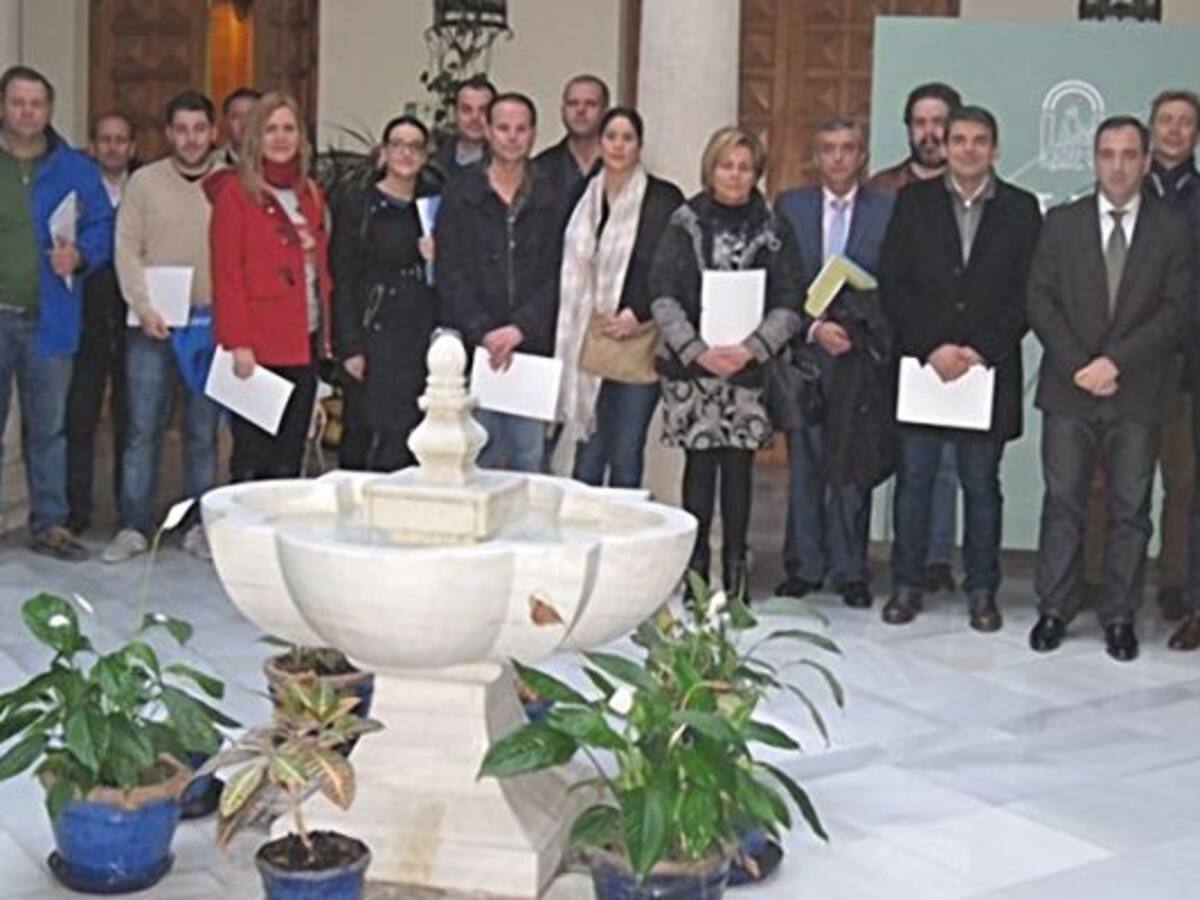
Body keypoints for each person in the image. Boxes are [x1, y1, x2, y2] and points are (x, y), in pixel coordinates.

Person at [1027, 116, 1190, 662]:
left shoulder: (1173, 228)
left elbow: (1177, 311)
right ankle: (1054, 608)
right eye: (1107, 154)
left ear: (1145, 161)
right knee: (1063, 504)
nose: (1117, 166)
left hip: (1138, 389)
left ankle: (1120, 616)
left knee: (1130, 509)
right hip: (1069, 387)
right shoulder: (1063, 222)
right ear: (1094, 160)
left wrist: (1115, 362)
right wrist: (1081, 364)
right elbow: (1040, 299)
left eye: (1128, 155)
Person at [880, 106, 1042, 632]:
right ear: (945, 147)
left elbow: (1029, 292)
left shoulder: (1020, 209)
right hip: (924, 368)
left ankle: (982, 590)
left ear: (995, 148)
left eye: (979, 140)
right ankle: (906, 585)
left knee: (981, 485)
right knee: (915, 480)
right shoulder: (914, 202)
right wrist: (932, 347)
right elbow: (893, 283)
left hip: (985, 370)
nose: (969, 149)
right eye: (959, 140)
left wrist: (979, 350)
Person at [650, 126, 803, 596]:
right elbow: (662, 294)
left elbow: (790, 300)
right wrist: (697, 350)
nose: (734, 176)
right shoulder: (683, 222)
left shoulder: (774, 228)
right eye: (726, 166)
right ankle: (696, 575)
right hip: (692, 368)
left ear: (757, 174)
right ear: (710, 169)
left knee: (739, 472)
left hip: (748, 370)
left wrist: (752, 348)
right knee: (699, 470)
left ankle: (736, 574)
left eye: (744, 167)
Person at [774, 117, 894, 609]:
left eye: (848, 148)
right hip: (806, 354)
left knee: (851, 466)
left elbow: (894, 282)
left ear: (862, 156)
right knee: (806, 463)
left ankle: (850, 570)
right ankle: (804, 566)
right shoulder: (791, 207)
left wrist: (859, 331)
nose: (839, 157)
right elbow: (780, 280)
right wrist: (812, 328)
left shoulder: (886, 209)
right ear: (816, 156)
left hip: (859, 360)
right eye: (829, 148)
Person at [103, 90, 224, 563]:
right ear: (169, 133)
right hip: (151, 324)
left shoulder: (231, 182)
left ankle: (197, 527)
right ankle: (133, 526)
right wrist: (142, 303)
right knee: (142, 428)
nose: (191, 138)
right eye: (182, 129)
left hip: (210, 325)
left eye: (199, 129)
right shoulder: (145, 183)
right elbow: (126, 247)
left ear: (213, 132)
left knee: (202, 434)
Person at [0, 65, 113, 560]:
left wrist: (81, 256)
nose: (27, 112)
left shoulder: (75, 169)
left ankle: (49, 523)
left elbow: (103, 225)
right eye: (17, 102)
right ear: (2, 107)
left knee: (48, 429)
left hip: (51, 317)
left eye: (36, 103)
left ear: (49, 110)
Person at [553, 107, 682, 487]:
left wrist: (637, 313)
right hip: (586, 339)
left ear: (640, 145)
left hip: (637, 342)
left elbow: (671, 266)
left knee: (626, 453)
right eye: (611, 137)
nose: (618, 146)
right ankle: (584, 526)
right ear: (600, 142)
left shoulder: (663, 198)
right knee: (588, 457)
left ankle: (625, 526)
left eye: (628, 138)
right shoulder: (581, 194)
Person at [870, 81, 964, 594]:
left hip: (947, 348)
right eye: (920, 122)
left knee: (944, 461)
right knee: (901, 460)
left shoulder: (968, 189)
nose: (930, 132)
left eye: (939, 122)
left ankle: (935, 559)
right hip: (888, 343)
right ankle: (897, 561)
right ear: (908, 129)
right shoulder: (882, 188)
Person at [209, 91, 332, 481]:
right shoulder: (235, 194)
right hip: (259, 345)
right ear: (255, 137)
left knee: (289, 455)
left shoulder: (310, 193)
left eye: (289, 128)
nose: (281, 137)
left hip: (304, 339)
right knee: (253, 457)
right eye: (271, 129)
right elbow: (227, 274)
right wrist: (238, 343)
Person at [436, 92, 561, 473]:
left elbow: (561, 273)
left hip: (531, 347)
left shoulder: (553, 194)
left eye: (521, 129)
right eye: (503, 128)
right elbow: (449, 271)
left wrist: (521, 327)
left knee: (529, 460)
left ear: (533, 134)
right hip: (478, 349)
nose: (512, 137)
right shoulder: (460, 193)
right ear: (488, 131)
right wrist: (484, 330)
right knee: (479, 459)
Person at [330, 115, 439, 472]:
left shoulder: (435, 207)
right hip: (371, 335)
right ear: (384, 151)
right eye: (398, 144)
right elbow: (344, 277)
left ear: (425, 155)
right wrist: (350, 346)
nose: (406, 153)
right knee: (362, 441)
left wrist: (438, 258)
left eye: (415, 146)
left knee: (407, 442)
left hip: (417, 339)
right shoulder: (358, 204)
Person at [65, 111, 135, 535]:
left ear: (132, 146)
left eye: (120, 139)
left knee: (133, 419)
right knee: (80, 417)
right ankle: (77, 510)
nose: (112, 147)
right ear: (92, 146)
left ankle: (130, 512)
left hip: (132, 320)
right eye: (105, 139)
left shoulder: (143, 187)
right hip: (84, 318)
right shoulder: (75, 187)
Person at [533, 74, 608, 213]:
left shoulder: (619, 165)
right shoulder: (539, 170)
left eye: (590, 104)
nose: (580, 110)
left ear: (605, 112)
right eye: (573, 103)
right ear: (563, 111)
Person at [431, 75, 495, 183]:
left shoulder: (508, 164)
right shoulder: (433, 162)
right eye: (466, 110)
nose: (475, 117)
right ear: (455, 114)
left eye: (483, 110)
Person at [219, 86, 260, 166]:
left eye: (251, 115)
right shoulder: (210, 165)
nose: (244, 123)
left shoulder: (277, 160)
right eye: (236, 116)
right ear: (225, 122)